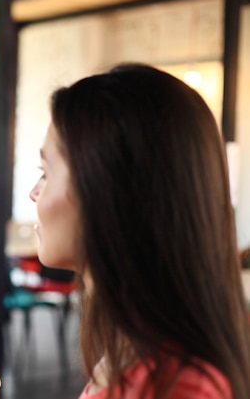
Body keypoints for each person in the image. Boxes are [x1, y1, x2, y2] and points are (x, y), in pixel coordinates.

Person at [29, 63, 250, 399]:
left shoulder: (181, 388)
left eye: (46, 172)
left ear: (105, 191)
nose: (34, 192)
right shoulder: (130, 355)